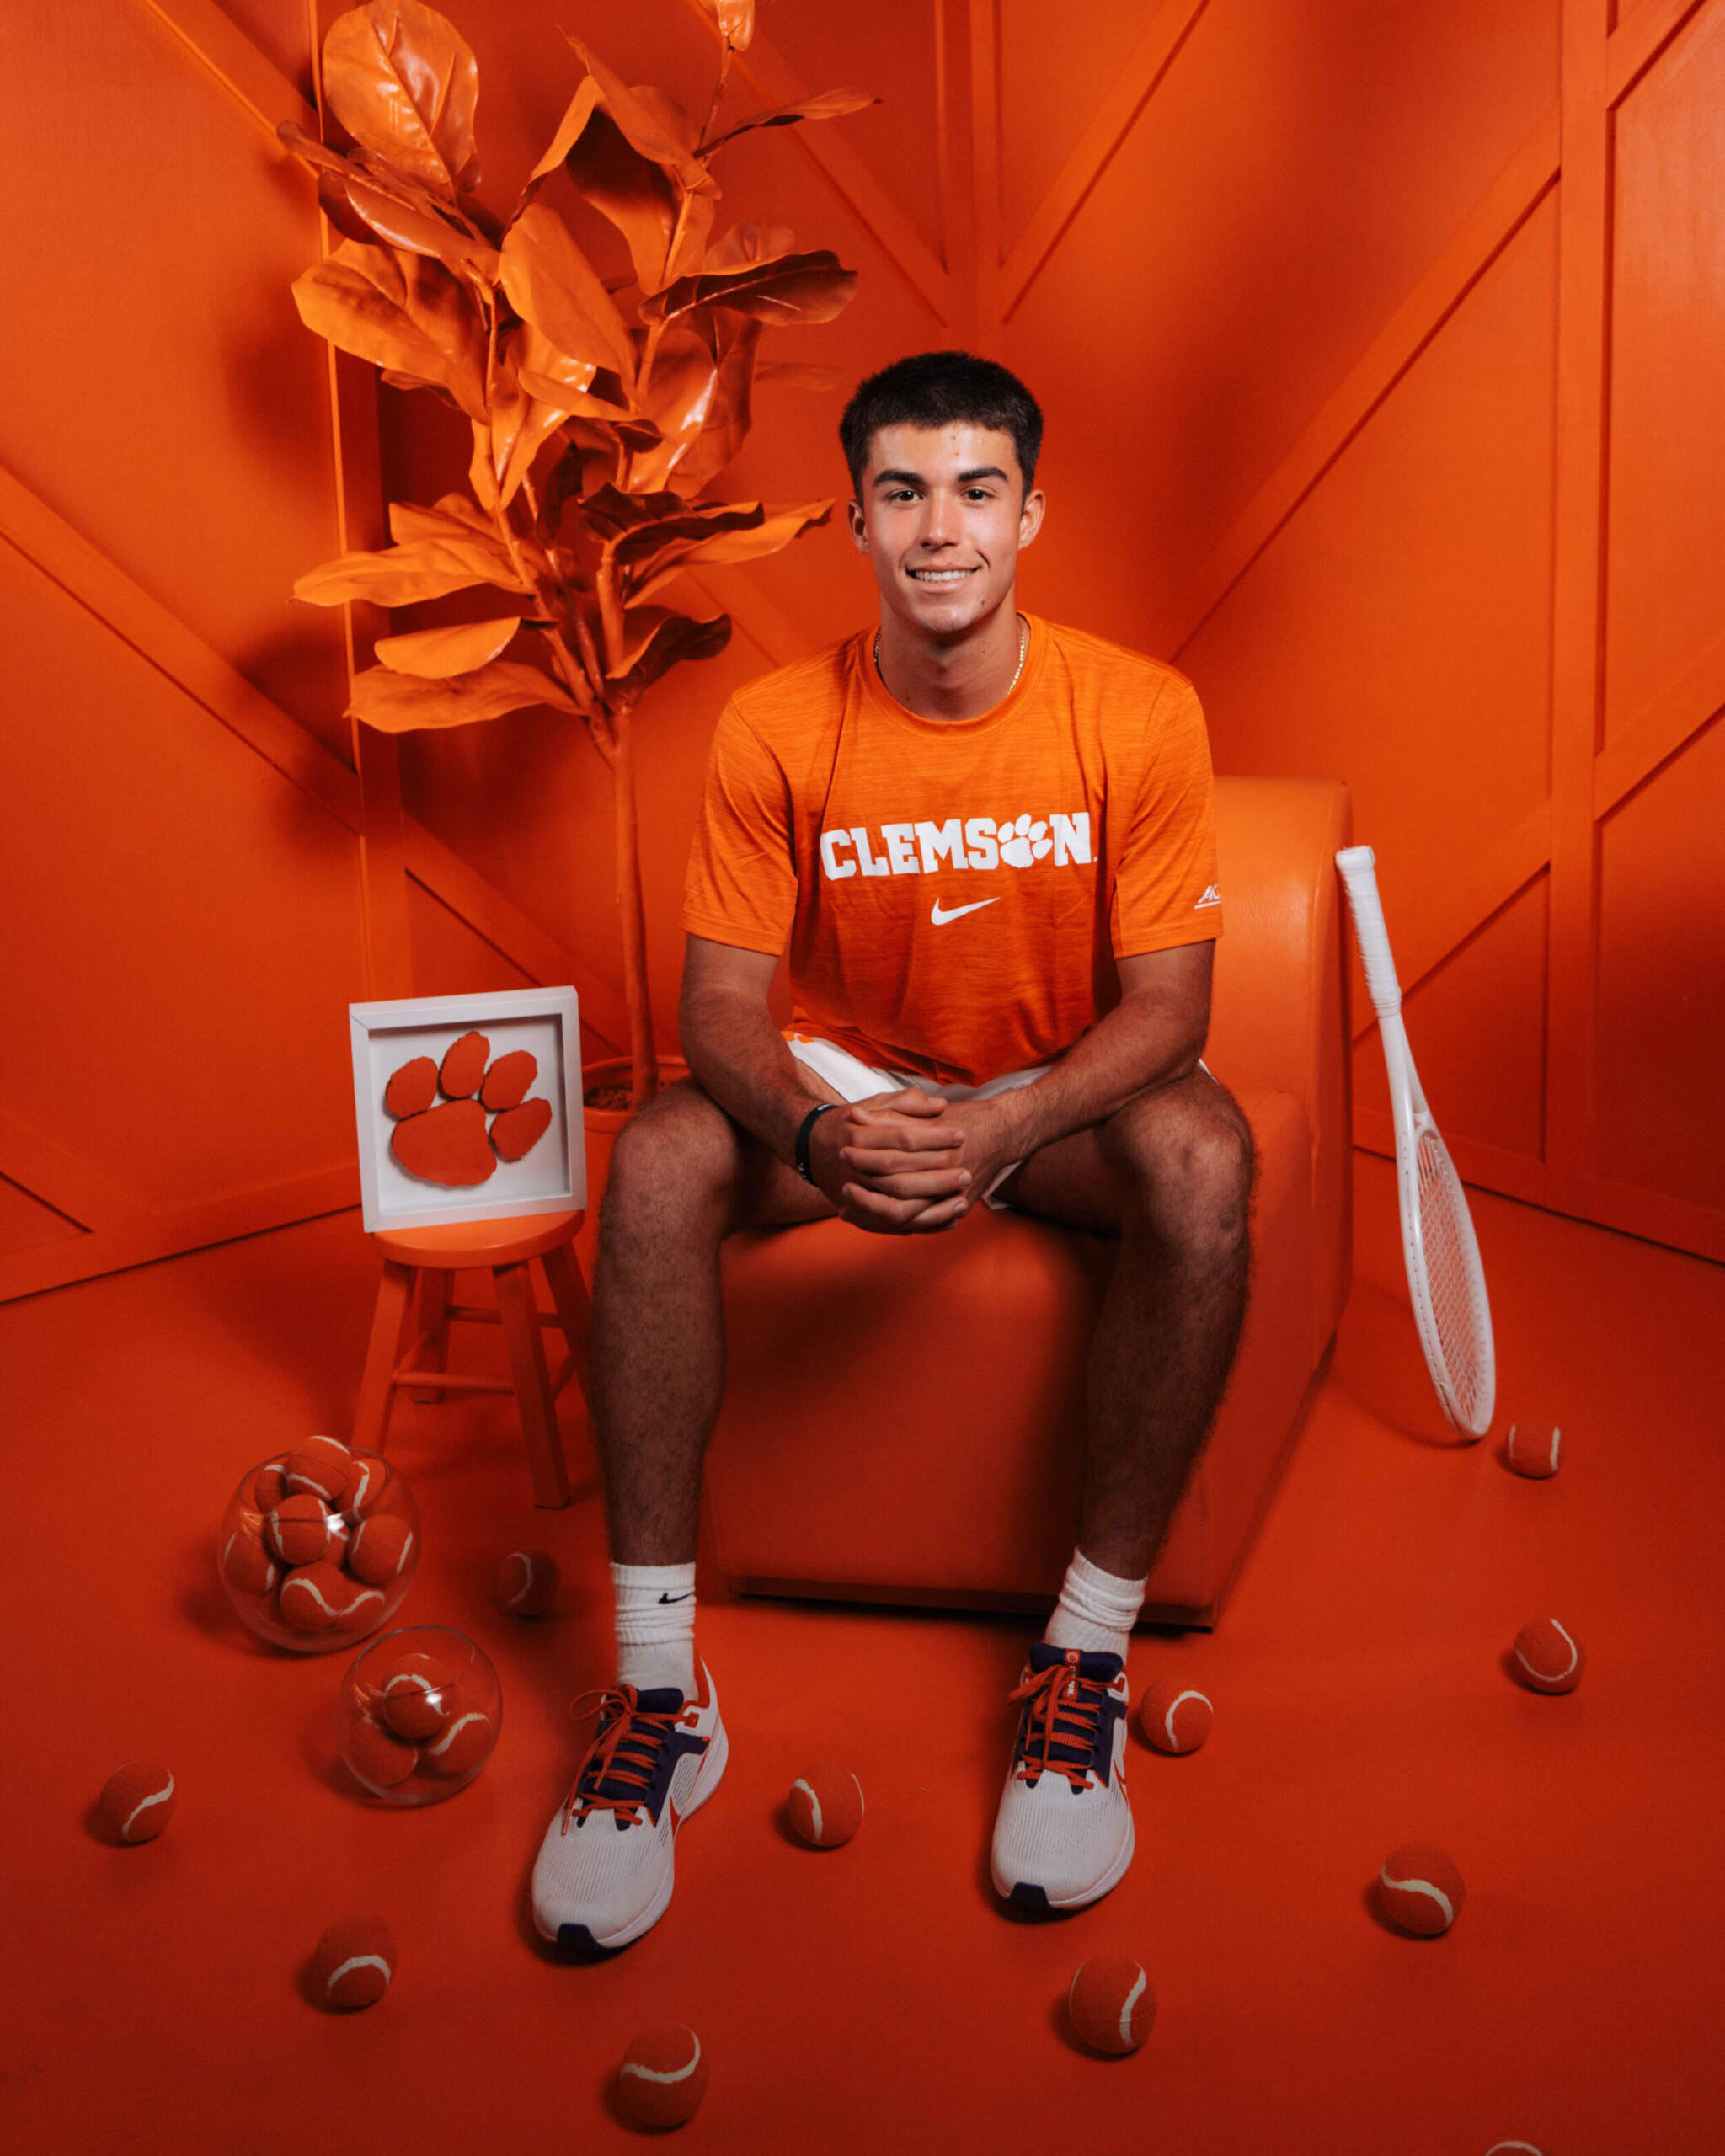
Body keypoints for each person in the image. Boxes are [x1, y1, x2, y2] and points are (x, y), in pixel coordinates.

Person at [531, 350, 1254, 1951]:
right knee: (655, 1159)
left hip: (1054, 1097)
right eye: (904, 492)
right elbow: (717, 1008)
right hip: (850, 1089)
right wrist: (815, 1122)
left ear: (1029, 515)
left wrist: (1006, 1124)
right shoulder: (775, 726)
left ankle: (1083, 1662)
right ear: (856, 519)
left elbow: (1171, 1010)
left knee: (1206, 1159)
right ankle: (658, 1697)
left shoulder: (1138, 710)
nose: (942, 528)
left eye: (977, 491)